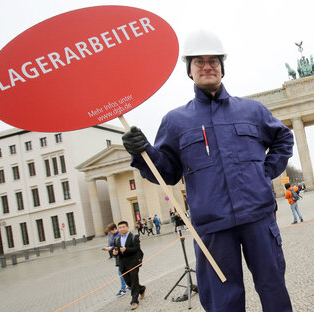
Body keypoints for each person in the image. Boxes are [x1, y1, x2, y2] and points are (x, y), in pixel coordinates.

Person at [121, 29, 293, 311]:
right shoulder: (175, 121)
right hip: (212, 228)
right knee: (222, 302)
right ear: (189, 71)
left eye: (213, 60)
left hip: (258, 217)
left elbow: (283, 138)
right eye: (198, 62)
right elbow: (167, 174)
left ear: (222, 68)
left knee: (273, 289)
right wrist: (143, 153)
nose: (207, 66)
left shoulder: (252, 110)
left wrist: (264, 173)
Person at [112, 221, 146, 310]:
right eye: (120, 228)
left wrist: (126, 249)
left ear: (127, 227)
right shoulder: (117, 239)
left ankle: (134, 301)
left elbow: (137, 248)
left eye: (123, 227)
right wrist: (115, 253)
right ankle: (141, 289)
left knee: (134, 280)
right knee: (128, 282)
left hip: (133, 262)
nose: (122, 229)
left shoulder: (134, 237)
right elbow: (117, 251)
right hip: (123, 264)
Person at [103, 223, 129, 297]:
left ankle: (123, 289)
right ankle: (130, 286)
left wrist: (110, 248)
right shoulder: (112, 235)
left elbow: (119, 246)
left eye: (110, 231)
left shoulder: (119, 235)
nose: (110, 233)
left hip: (121, 255)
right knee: (124, 271)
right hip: (116, 255)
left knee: (121, 272)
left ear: (114, 229)